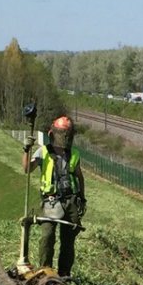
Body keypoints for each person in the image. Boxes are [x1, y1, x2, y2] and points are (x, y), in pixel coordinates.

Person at [23, 115, 86, 276]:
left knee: (68, 240)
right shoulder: (43, 152)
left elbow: (79, 176)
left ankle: (64, 274)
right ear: (53, 134)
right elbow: (27, 169)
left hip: (70, 200)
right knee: (48, 236)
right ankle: (46, 270)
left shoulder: (74, 154)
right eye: (62, 134)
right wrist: (26, 150)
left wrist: (82, 198)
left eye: (67, 134)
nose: (64, 138)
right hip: (51, 201)